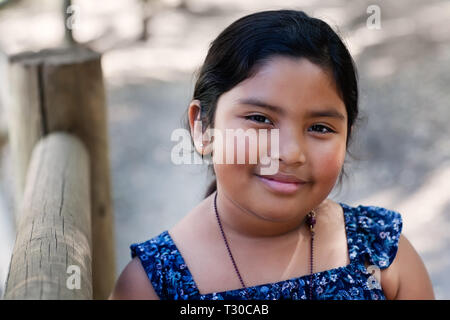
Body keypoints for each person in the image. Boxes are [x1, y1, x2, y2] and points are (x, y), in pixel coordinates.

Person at [109, 9, 435, 300]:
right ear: (203, 127)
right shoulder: (152, 285)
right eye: (260, 119)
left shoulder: (379, 252)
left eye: (320, 127)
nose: (291, 153)